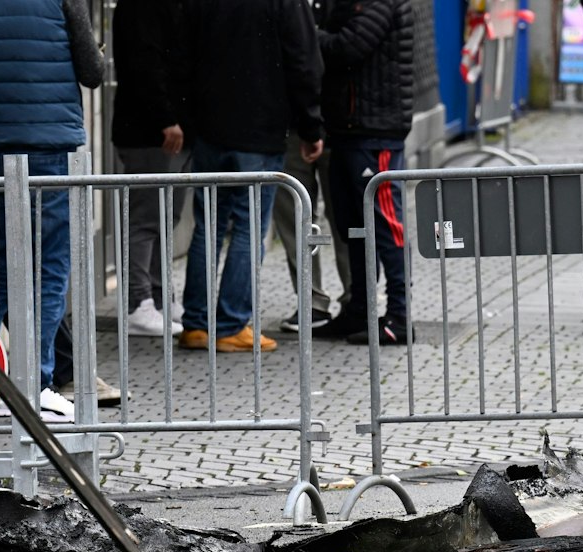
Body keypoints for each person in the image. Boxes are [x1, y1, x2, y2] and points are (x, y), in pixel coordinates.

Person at [0, 0, 105, 416]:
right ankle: (34, 383)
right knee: (51, 267)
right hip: (49, 142)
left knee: (3, 267)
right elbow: (92, 73)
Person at [178, 0, 325, 353]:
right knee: (248, 226)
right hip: (260, 128)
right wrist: (311, 126)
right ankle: (231, 324)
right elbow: (303, 61)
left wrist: (189, 117)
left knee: (207, 226)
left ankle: (196, 323)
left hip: (211, 128)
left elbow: (181, 53)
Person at [311, 0, 415, 347]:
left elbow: (348, 47)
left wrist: (308, 33)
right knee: (354, 226)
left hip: (375, 132)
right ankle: (360, 309)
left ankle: (400, 316)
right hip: (349, 129)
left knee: (386, 224)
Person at [110, 0, 189, 338]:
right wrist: (166, 118)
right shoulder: (141, 8)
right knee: (147, 217)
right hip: (151, 132)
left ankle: (157, 297)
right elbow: (145, 64)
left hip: (158, 129)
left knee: (162, 216)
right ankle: (138, 302)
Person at [272, 131, 348, 332]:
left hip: (339, 127)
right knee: (295, 217)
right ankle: (313, 302)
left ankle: (354, 298)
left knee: (345, 217)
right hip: (294, 127)